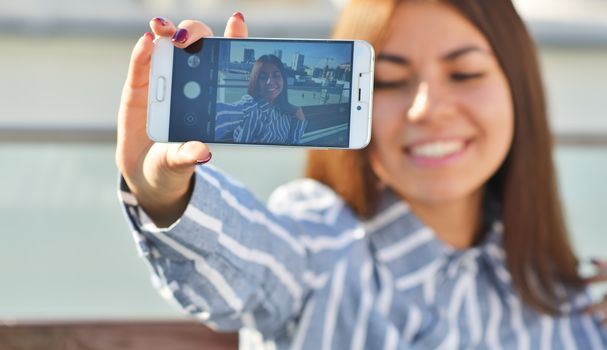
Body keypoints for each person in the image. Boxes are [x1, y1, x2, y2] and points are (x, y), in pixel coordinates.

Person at [115, 3, 607, 349]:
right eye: (390, 81)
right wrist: (164, 191)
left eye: (465, 74)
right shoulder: (318, 244)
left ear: (518, 88)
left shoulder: (578, 307)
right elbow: (250, 261)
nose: (427, 108)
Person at [214, 54, 307, 144]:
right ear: (255, 81)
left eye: (276, 75)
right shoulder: (252, 107)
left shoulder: (285, 112)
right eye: (263, 77)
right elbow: (220, 114)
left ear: (283, 79)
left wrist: (300, 120)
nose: (270, 82)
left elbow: (291, 146)